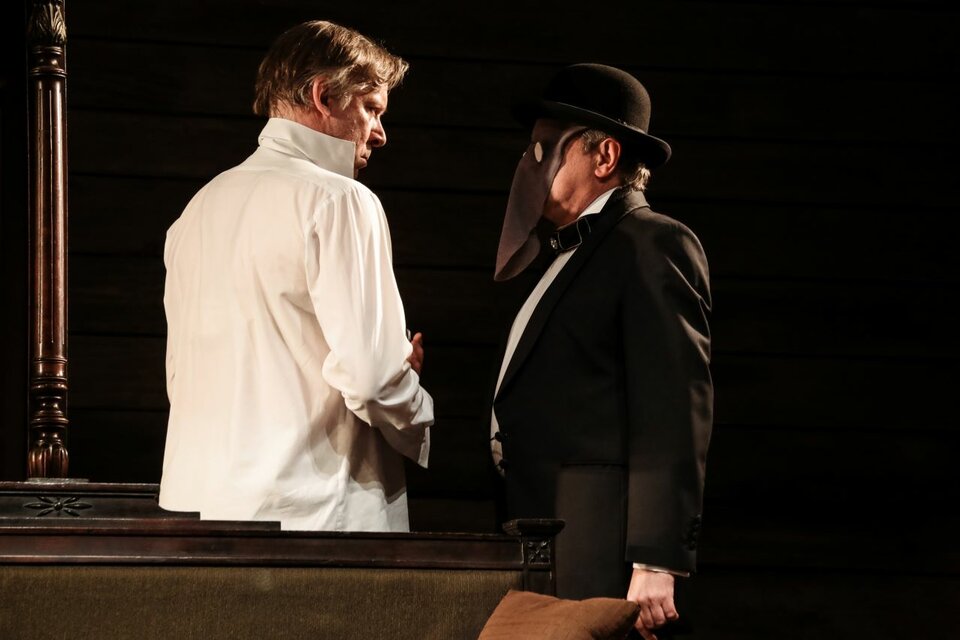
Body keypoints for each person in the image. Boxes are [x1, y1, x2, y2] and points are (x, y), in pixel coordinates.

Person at [159, 21, 433, 533]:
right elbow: (372, 380)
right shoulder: (341, 200)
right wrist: (414, 400)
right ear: (324, 96)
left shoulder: (195, 211)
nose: (380, 132)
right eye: (371, 108)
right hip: (312, 520)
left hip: (201, 511)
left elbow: (184, 378)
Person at [491, 64, 713, 639]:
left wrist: (656, 559)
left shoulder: (652, 242)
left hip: (597, 535)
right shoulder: (566, 254)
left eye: (546, 149)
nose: (530, 164)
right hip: (543, 528)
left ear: (604, 155)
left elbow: (673, 406)